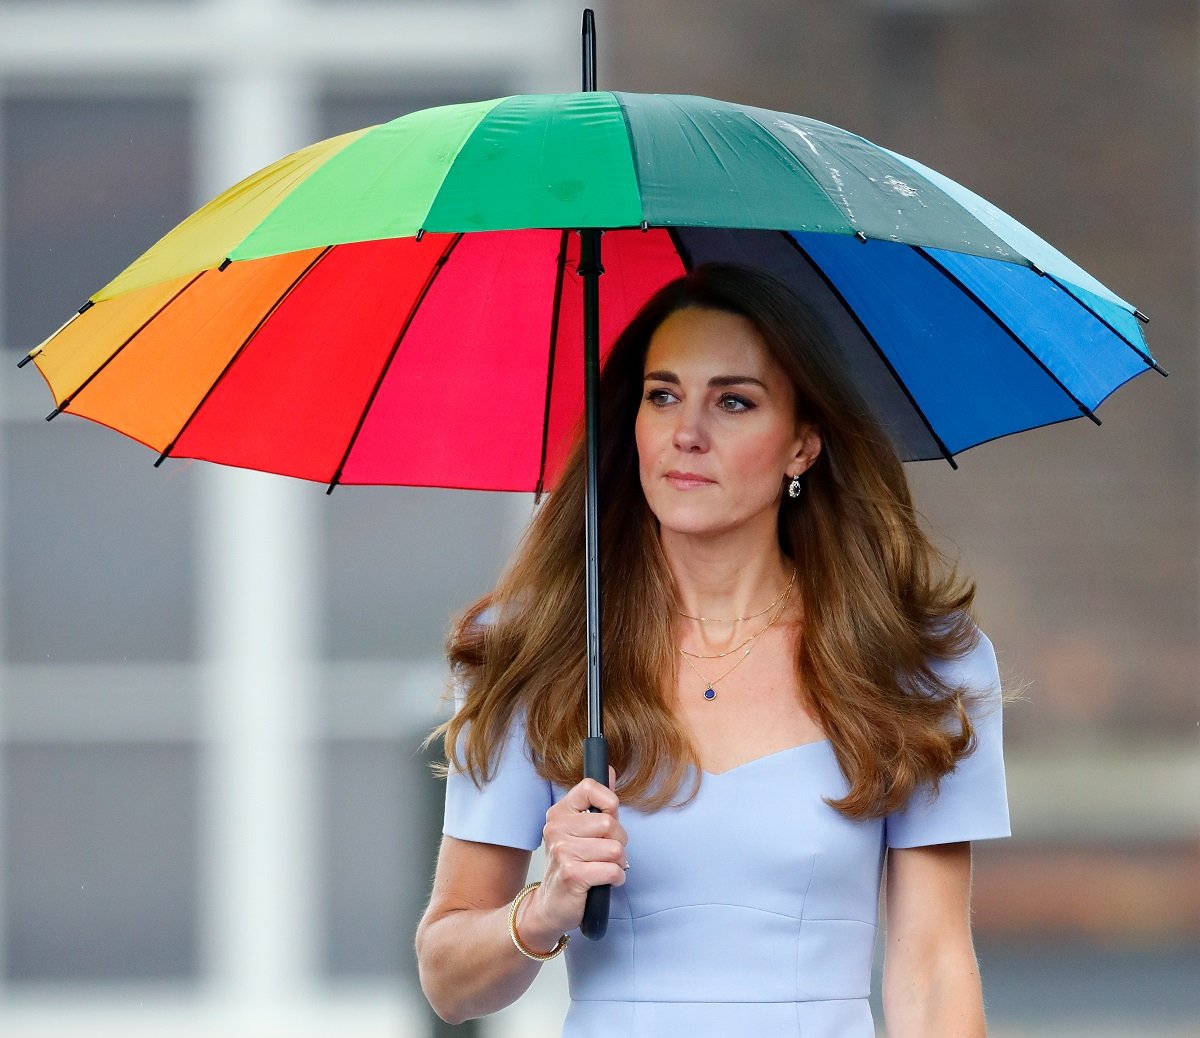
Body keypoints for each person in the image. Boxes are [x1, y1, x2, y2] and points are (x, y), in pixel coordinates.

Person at [415, 263, 1009, 1037]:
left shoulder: (914, 659)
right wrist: (545, 906)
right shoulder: (539, 653)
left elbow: (932, 966)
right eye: (663, 396)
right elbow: (449, 980)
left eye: (733, 401)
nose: (686, 432)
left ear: (802, 445)